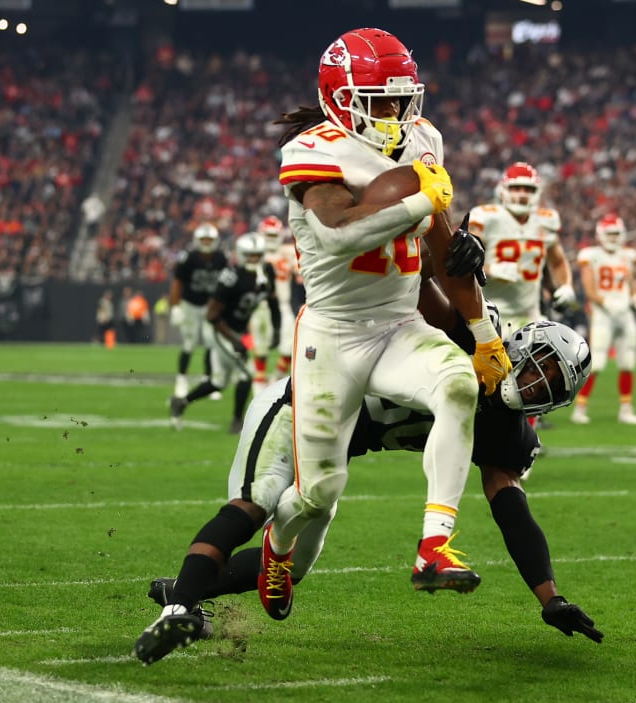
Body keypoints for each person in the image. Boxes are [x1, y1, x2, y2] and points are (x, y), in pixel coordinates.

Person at [134, 307, 600, 665]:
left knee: (291, 568)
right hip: (298, 407)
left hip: (335, 450)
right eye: (541, 366)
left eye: (551, 386)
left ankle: (184, 589)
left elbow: (514, 516)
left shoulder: (510, 433)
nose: (537, 384)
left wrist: (551, 598)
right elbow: (432, 295)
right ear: (521, 343)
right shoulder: (468, 341)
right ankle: (177, 611)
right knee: (258, 501)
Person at [261, 27, 510, 620]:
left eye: (401, 98)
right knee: (319, 492)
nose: (395, 112)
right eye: (380, 100)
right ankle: (277, 543)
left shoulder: (423, 139)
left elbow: (444, 250)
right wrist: (422, 200)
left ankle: (434, 548)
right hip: (333, 333)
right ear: (341, 97)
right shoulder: (312, 149)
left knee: (456, 383)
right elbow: (339, 231)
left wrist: (482, 335)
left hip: (399, 321)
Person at [170, 232, 280, 434]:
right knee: (247, 374)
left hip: (236, 330)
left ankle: (181, 402)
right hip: (221, 330)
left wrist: (277, 330)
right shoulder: (231, 277)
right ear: (241, 255)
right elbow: (212, 315)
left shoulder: (267, 273)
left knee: (218, 383)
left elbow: (273, 303)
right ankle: (238, 421)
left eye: (257, 255)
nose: (254, 259)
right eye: (250, 255)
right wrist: (234, 339)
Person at [470, 162, 577, 336]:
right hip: (487, 313)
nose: (522, 194)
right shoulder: (486, 217)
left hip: (530, 315)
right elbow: (463, 262)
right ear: (503, 190)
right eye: (516, 188)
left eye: (528, 189)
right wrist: (490, 269)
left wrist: (566, 285)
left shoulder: (545, 220)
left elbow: (557, 261)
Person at [571, 214, 636, 425]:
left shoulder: (626, 256)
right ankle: (580, 408)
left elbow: (630, 282)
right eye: (610, 234)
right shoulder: (591, 255)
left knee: (627, 362)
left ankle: (626, 409)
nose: (613, 238)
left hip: (624, 314)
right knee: (596, 363)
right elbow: (589, 289)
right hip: (603, 314)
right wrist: (605, 302)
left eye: (616, 233)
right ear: (600, 235)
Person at [168, 223, 229, 399]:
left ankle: (208, 380)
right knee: (189, 343)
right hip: (190, 305)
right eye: (203, 239)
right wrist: (176, 306)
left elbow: (224, 284)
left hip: (209, 306)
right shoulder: (189, 258)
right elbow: (177, 283)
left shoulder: (220, 258)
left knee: (211, 343)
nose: (207, 242)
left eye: (209, 239)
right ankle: (181, 379)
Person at [247, 215, 299, 388]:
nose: (270, 240)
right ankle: (259, 384)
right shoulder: (254, 253)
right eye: (267, 235)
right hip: (261, 306)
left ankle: (275, 377)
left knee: (290, 347)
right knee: (261, 349)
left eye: (273, 236)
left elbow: (301, 275)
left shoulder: (289, 252)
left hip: (283, 306)